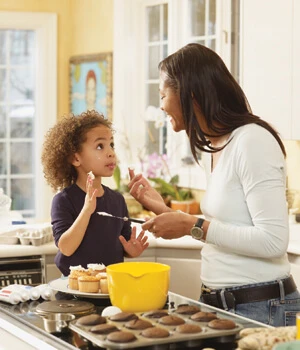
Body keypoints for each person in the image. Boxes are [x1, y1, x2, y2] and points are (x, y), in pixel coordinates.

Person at [128, 43, 300, 326]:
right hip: (217, 304)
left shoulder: (252, 141)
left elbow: (273, 241)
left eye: (163, 94)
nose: (160, 105)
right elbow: (226, 224)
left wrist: (191, 225)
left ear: (191, 95)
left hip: (262, 308)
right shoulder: (209, 148)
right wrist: (161, 208)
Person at [41, 110, 148, 276]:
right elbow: (66, 248)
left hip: (109, 287)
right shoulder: (63, 200)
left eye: (111, 145)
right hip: (73, 291)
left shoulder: (117, 200)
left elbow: (123, 242)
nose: (111, 152)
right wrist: (86, 211)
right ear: (76, 159)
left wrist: (131, 250)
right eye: (100, 146)